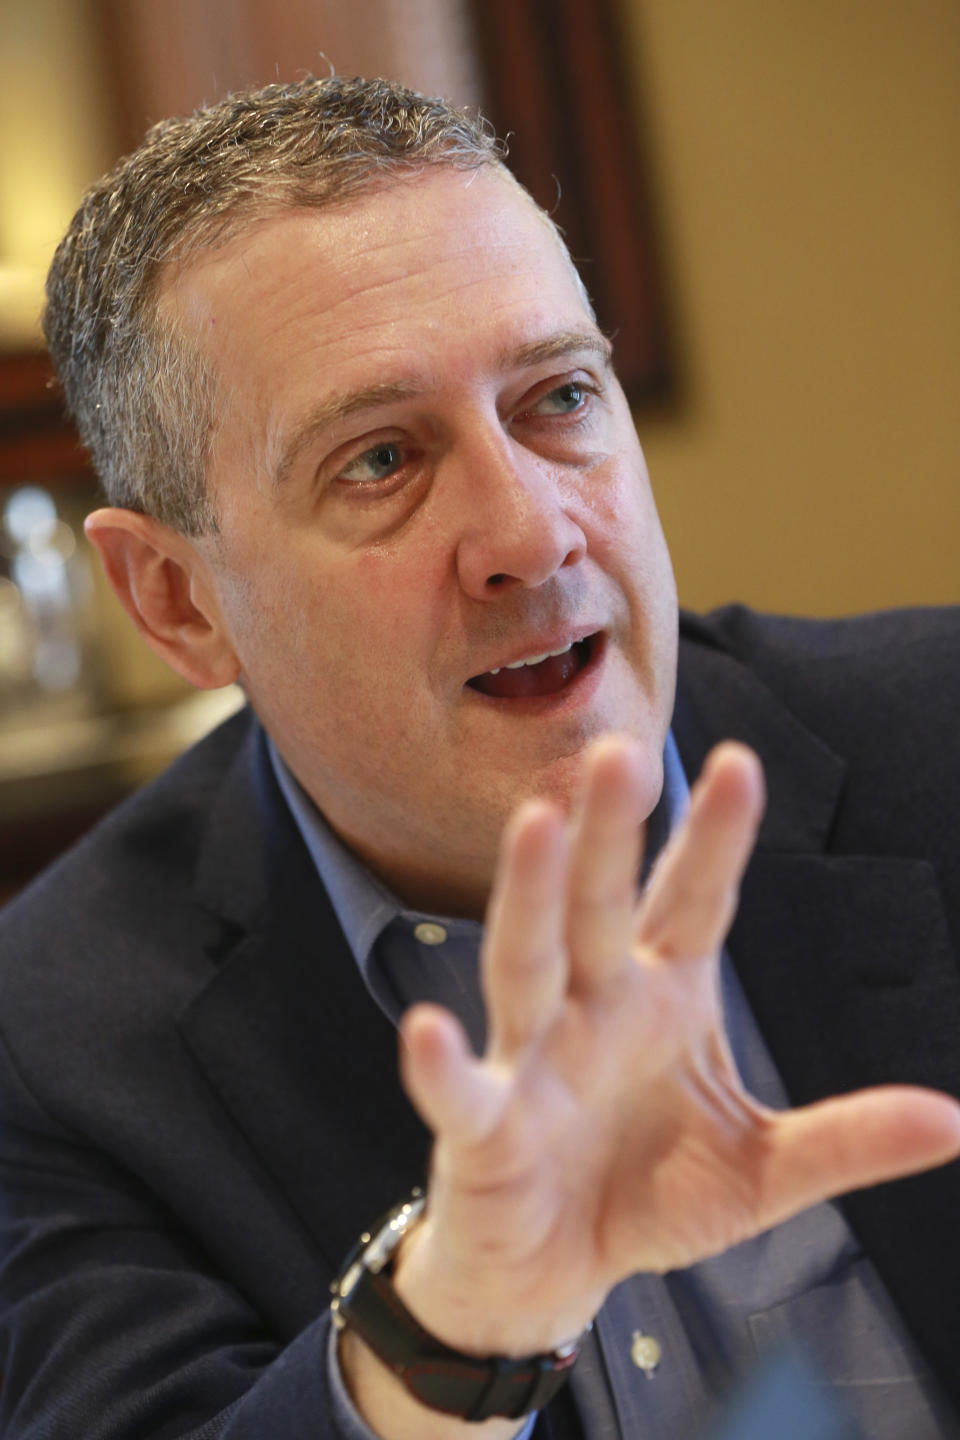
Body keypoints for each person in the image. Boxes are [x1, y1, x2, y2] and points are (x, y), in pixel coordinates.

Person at [0, 74, 958, 1440]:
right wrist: (452, 1325)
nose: (531, 531)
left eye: (559, 395)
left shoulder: (941, 739)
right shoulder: (48, 1046)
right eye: (382, 458)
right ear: (178, 602)